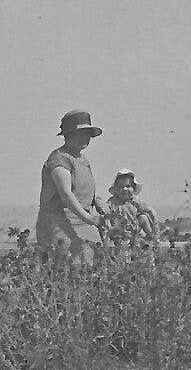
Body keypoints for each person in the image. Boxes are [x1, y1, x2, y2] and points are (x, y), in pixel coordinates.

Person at [36, 109, 108, 262]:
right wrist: (87, 217)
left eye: (87, 134)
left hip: (84, 223)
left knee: (94, 263)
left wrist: (97, 201)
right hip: (60, 224)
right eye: (80, 133)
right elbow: (66, 193)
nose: (85, 138)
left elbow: (83, 189)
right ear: (68, 135)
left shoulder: (83, 160)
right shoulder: (59, 159)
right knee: (66, 267)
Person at [102, 168, 159, 247]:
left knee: (143, 217)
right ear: (115, 189)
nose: (124, 189)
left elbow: (150, 210)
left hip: (134, 229)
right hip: (118, 232)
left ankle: (152, 237)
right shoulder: (112, 202)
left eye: (128, 186)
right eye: (120, 187)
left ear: (134, 188)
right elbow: (104, 213)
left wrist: (155, 227)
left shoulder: (136, 201)